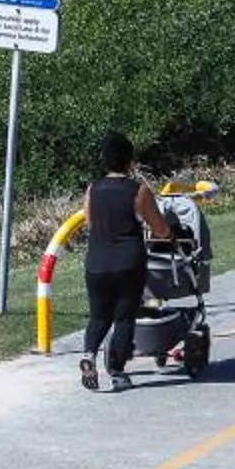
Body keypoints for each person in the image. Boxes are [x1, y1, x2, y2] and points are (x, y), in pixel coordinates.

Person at [80, 131, 176, 391]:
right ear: (129, 160)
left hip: (96, 263)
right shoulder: (139, 191)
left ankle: (89, 354)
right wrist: (167, 233)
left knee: (99, 316)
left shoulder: (93, 188)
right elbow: (160, 229)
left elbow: (90, 222)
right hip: (128, 264)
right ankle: (117, 372)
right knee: (124, 318)